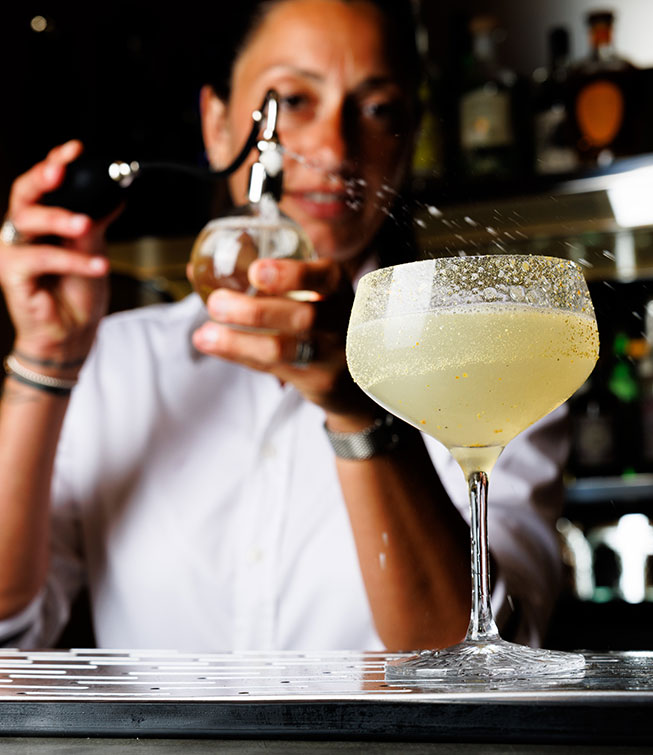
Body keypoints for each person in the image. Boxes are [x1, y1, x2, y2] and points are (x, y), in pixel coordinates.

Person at [0, 0, 568, 651]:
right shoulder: (114, 364)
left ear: (409, 139)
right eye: (294, 100)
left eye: (378, 108)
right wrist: (46, 357)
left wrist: (358, 410)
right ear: (217, 126)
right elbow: (8, 628)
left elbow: (496, 660)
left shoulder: (496, 360)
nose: (334, 147)